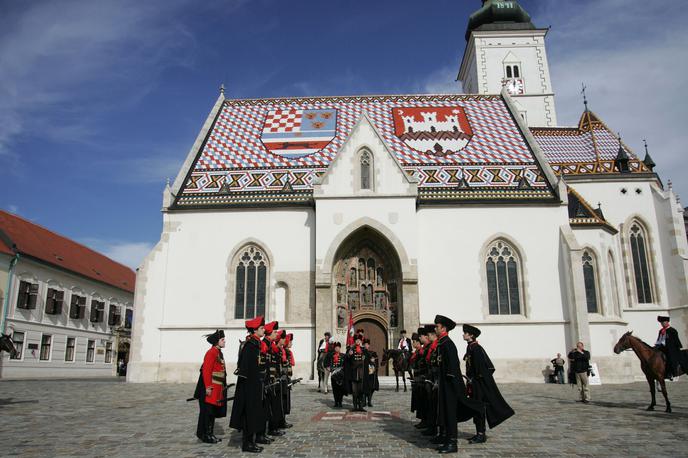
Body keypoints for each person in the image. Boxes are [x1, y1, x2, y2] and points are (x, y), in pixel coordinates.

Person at [462, 324, 514, 445]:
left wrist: (475, 380)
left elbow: (483, 369)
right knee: (476, 409)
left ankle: (481, 434)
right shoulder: (470, 347)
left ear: (471, 335)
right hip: (473, 384)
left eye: (465, 333)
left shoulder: (476, 349)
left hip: (478, 385)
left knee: (479, 409)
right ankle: (479, 432)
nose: (463, 334)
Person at [229, 317, 268, 453]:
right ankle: (247, 443)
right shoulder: (250, 345)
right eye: (262, 328)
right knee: (249, 414)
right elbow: (245, 368)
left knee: (254, 413)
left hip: (255, 385)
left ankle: (251, 441)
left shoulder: (256, 344)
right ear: (255, 330)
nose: (264, 330)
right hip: (249, 386)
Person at [194, 329, 227, 444]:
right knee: (207, 412)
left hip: (217, 387)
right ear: (217, 341)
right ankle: (205, 435)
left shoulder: (218, 352)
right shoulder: (211, 352)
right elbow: (206, 371)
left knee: (212, 412)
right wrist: (208, 387)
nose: (224, 341)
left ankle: (210, 433)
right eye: (222, 340)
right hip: (210, 388)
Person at [264, 321, 286, 436]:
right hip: (269, 381)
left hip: (273, 380)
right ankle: (271, 429)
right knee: (271, 406)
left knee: (275, 405)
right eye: (274, 332)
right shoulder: (266, 345)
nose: (276, 334)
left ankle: (274, 427)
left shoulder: (270, 345)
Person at [346, 334, 369, 411]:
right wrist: (349, 355)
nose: (358, 341)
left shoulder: (364, 349)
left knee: (361, 390)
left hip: (361, 373)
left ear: (361, 341)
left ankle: (361, 406)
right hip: (353, 372)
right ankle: (355, 406)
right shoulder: (351, 349)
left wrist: (365, 358)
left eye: (359, 340)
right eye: (356, 340)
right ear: (355, 341)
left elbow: (368, 358)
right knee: (354, 391)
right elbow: (347, 359)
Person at [325, 342, 346, 407]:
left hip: (341, 375)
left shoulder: (343, 355)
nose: (337, 348)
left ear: (340, 348)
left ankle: (340, 402)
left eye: (338, 347)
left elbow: (346, 364)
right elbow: (325, 362)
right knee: (335, 389)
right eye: (336, 347)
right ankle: (336, 402)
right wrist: (327, 367)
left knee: (341, 389)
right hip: (334, 375)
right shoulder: (331, 355)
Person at [363, 338, 379, 407]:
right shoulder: (362, 353)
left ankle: (369, 401)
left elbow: (376, 362)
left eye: (367, 344)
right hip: (364, 373)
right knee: (364, 387)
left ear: (369, 345)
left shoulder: (373, 353)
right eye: (365, 344)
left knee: (371, 388)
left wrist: (373, 361)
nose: (366, 345)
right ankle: (363, 401)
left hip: (371, 373)